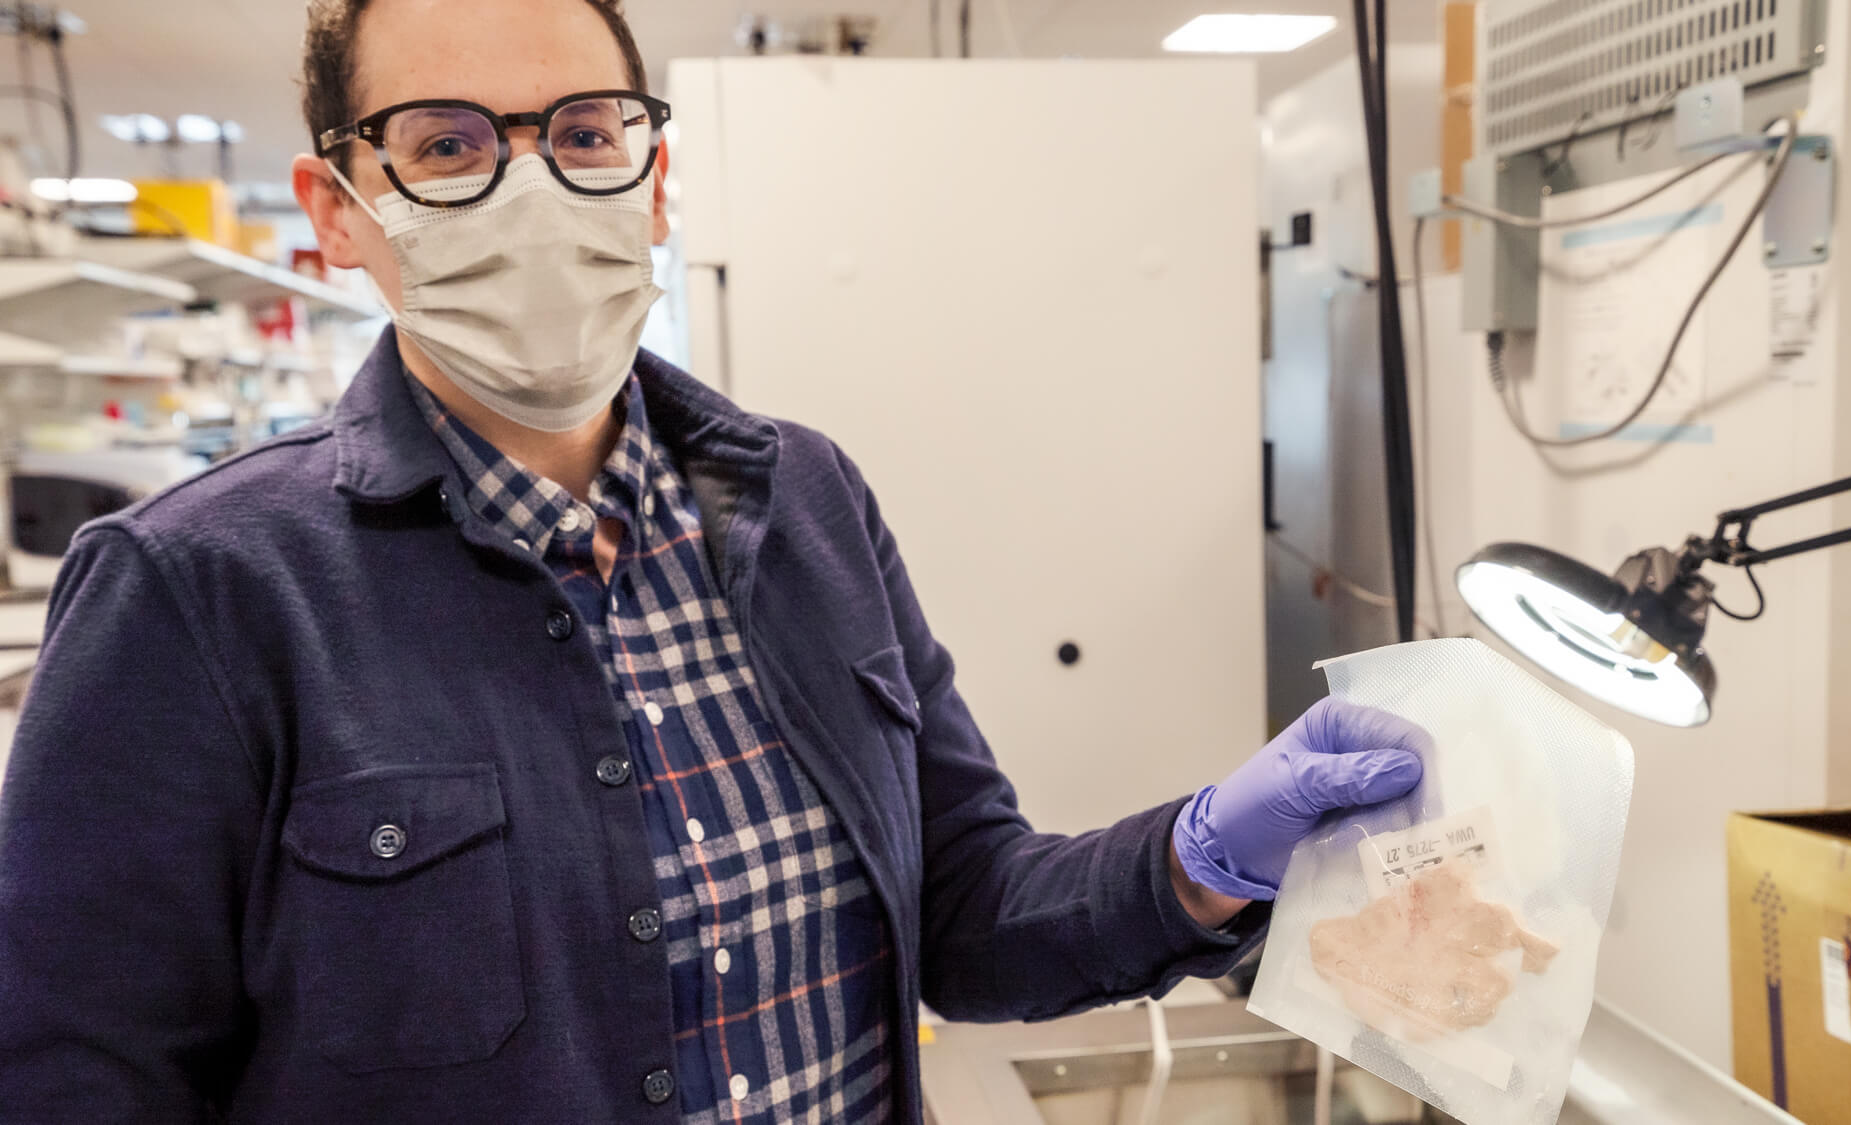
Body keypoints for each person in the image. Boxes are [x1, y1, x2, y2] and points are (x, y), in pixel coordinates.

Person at [0, 1, 1426, 1121]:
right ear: (337, 211)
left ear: (654, 176)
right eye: (446, 144)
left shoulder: (804, 501)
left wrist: (1196, 857)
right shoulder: (195, 593)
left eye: (584, 130)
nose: (535, 189)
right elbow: (75, 1080)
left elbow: (966, 912)